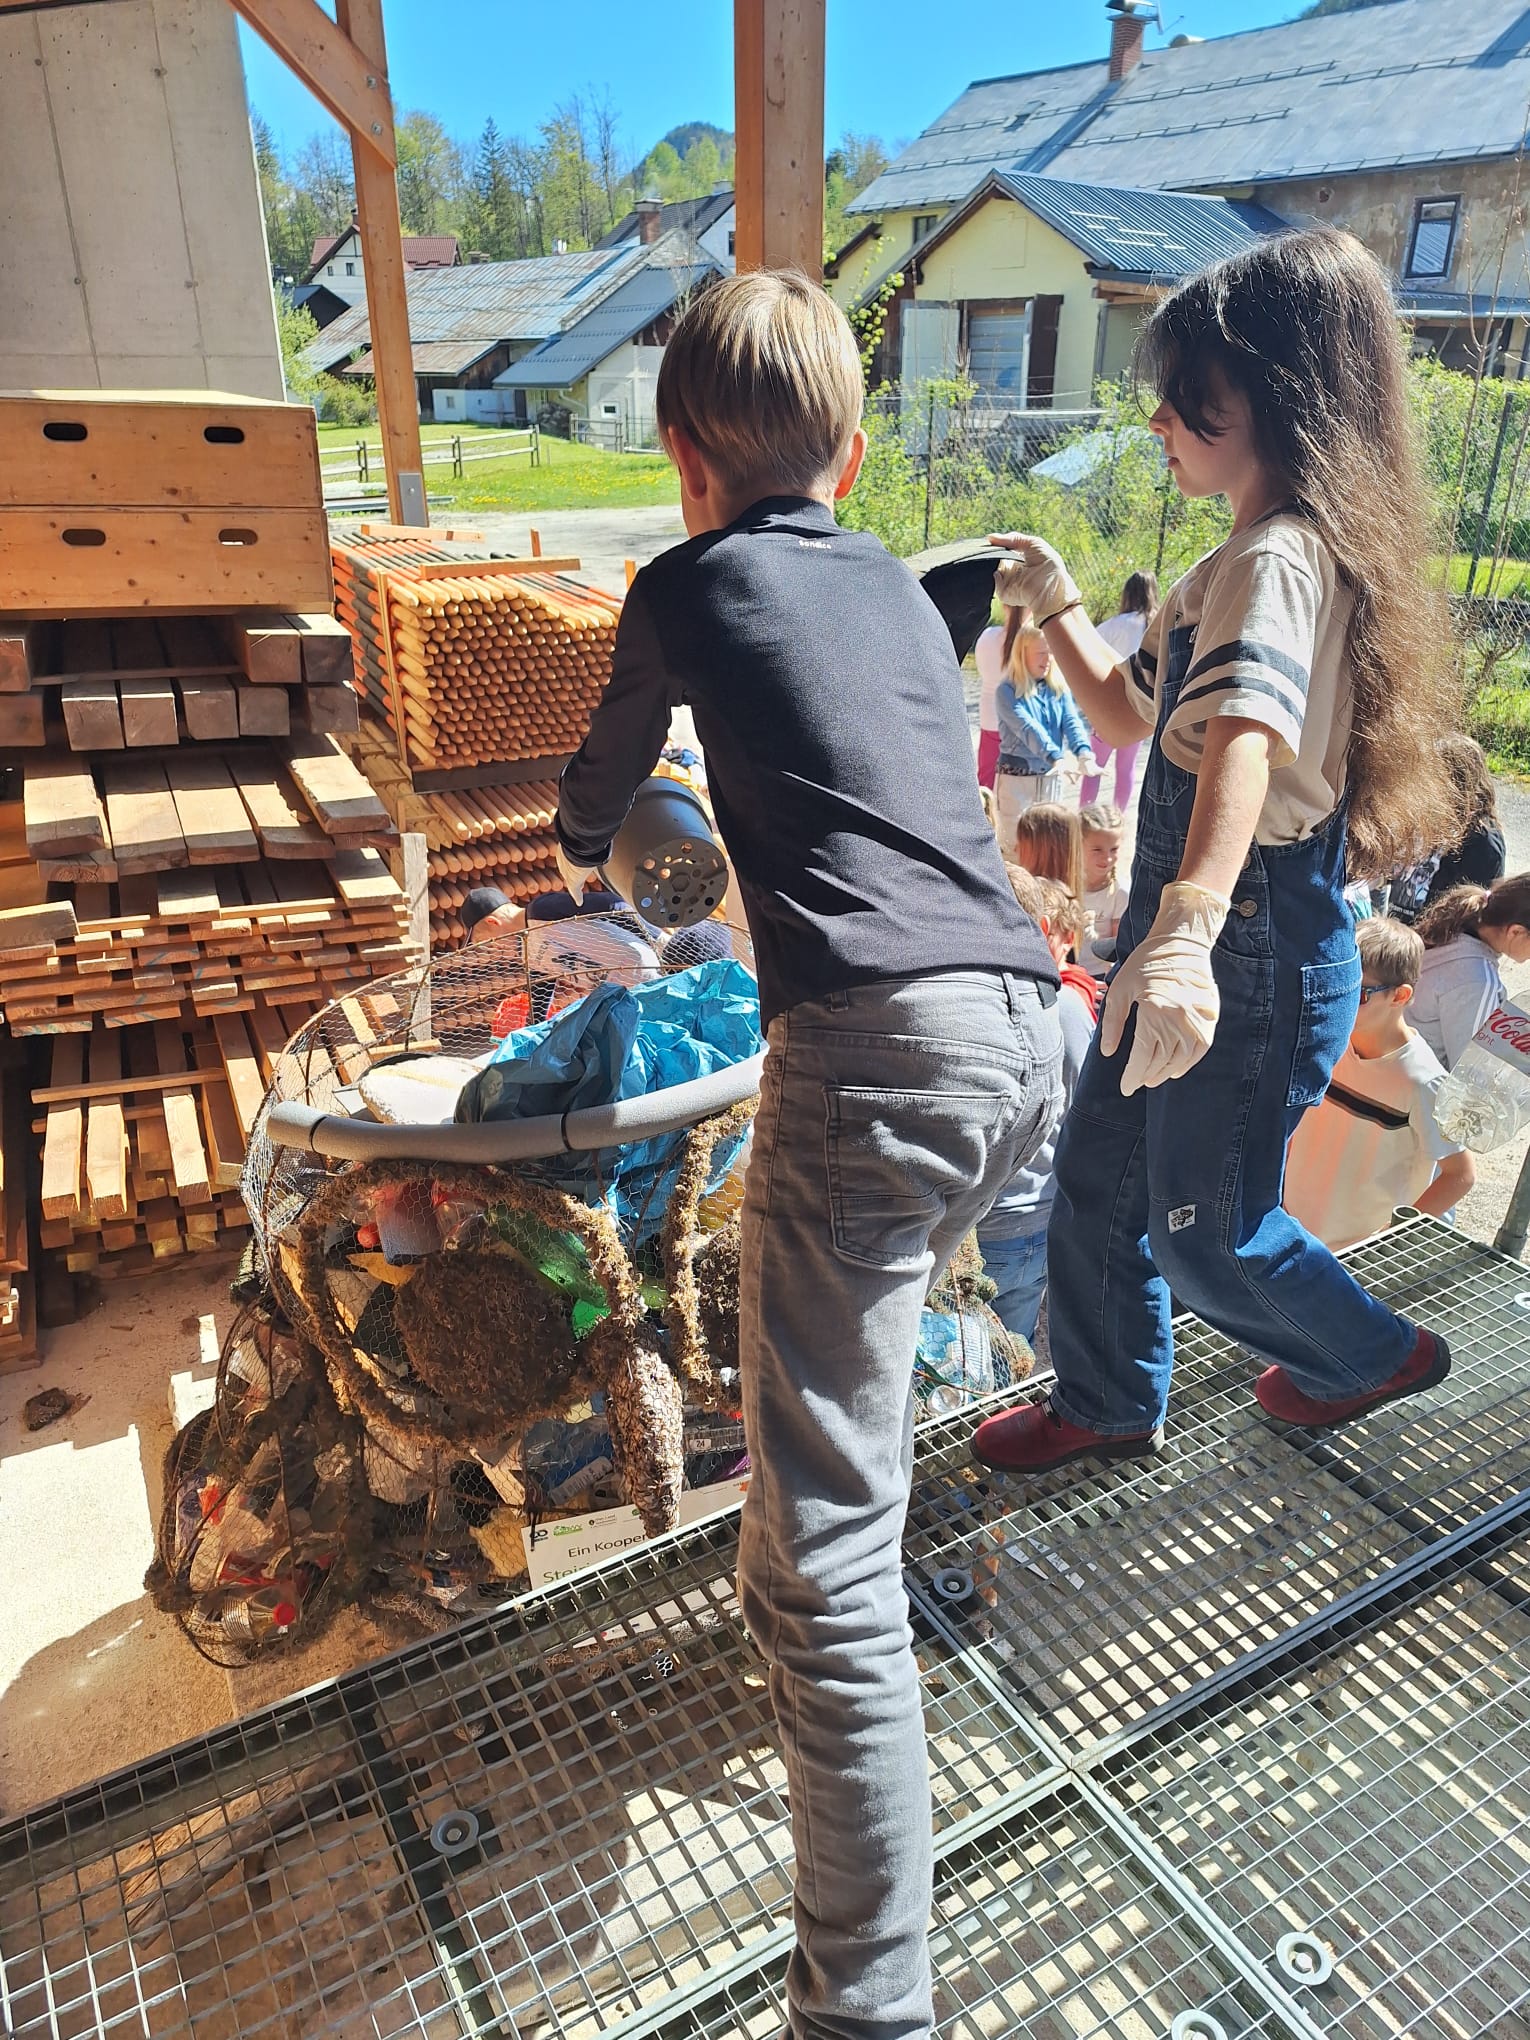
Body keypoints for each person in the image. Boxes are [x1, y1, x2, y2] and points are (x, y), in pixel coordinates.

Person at [552, 270, 1063, 2040]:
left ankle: (866, 2013)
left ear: (683, 462)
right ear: (846, 458)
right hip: (1026, 1039)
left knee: (826, 1566)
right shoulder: (904, 593)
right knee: (825, 1494)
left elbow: (605, 784)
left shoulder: (682, 582)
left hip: (877, 1056)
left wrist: (593, 857)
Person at [970, 225, 1463, 1479]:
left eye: (1187, 392)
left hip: (1246, 939)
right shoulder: (1227, 563)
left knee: (1210, 1231)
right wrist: (1059, 604)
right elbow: (1126, 713)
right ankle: (1106, 1399)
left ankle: (1372, 1355)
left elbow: (1247, 735)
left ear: (1276, 397)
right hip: (1190, 931)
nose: (1158, 420)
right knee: (1098, 1180)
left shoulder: (1283, 558)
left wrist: (1187, 923)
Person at [1284, 917, 1475, 1249]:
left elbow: (1460, 1175)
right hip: (1292, 1227)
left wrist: (1389, 1240)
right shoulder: (1328, 1040)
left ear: (1400, 995)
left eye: (1358, 993)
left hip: (1358, 1255)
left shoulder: (1425, 1081)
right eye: (1337, 983)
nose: (1339, 1000)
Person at [978, 866, 1097, 1344]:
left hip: (989, 1225)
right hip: (1039, 1217)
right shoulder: (1067, 1007)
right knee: (1012, 1345)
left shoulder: (981, 1007)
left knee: (964, 1352)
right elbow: (1086, 1105)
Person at [993, 610, 1094, 843]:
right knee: (1015, 846)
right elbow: (1028, 729)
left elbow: (1072, 722)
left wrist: (1084, 753)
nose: (1047, 659)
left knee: (1050, 845)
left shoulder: (1058, 688)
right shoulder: (1006, 691)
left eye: (1051, 653)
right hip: (1017, 783)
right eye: (1041, 653)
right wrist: (1056, 757)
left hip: (1050, 779)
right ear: (1022, 654)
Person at [1412, 873, 1530, 1068]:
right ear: (1515, 931)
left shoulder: (1459, 928)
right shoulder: (1478, 981)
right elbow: (1469, 1071)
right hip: (1413, 1079)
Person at [1080, 571, 1158, 808]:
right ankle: (1118, 817)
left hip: (1109, 703)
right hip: (1141, 706)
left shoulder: (1116, 624)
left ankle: (1085, 815)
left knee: (1095, 765)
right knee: (1126, 768)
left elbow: (1087, 644)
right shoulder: (1157, 624)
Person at [1428, 735, 1506, 903]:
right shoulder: (1431, 821)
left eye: (1434, 776)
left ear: (1458, 782)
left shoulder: (1483, 842)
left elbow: (1475, 909)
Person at [972, 590, 1025, 790]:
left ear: (1004, 605)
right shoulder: (1033, 642)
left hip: (989, 717)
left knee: (986, 782)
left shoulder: (987, 636)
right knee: (1016, 786)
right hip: (1020, 723)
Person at [1079, 801, 1128, 979]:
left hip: (1098, 975)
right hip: (1066, 969)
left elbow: (1116, 947)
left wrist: (1093, 936)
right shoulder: (1066, 883)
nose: (1106, 858)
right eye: (1097, 849)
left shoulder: (1119, 893)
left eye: (1113, 849)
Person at [1010, 801, 1084, 901]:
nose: (1015, 849)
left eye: (1021, 841)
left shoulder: (1027, 899)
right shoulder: (1069, 901)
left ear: (1041, 850)